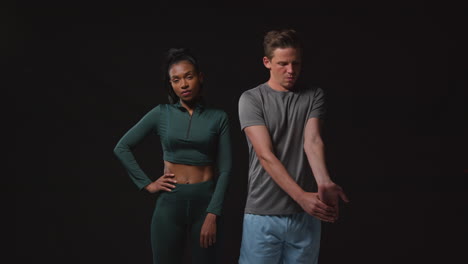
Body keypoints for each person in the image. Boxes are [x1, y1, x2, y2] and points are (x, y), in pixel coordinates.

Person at [238, 29, 349, 264]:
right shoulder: (251, 99)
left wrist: (324, 182)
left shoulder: (313, 96)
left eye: (296, 63)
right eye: (283, 64)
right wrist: (301, 196)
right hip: (263, 213)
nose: (291, 71)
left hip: (306, 214)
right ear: (267, 62)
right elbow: (265, 155)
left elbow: (313, 141)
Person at [113, 48, 232, 264]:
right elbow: (122, 147)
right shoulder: (161, 113)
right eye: (176, 80)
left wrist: (213, 213)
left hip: (205, 203)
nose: (184, 85)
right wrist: (147, 184)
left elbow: (225, 170)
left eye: (188, 76)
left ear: (200, 77)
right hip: (170, 204)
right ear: (171, 84)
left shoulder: (219, 118)